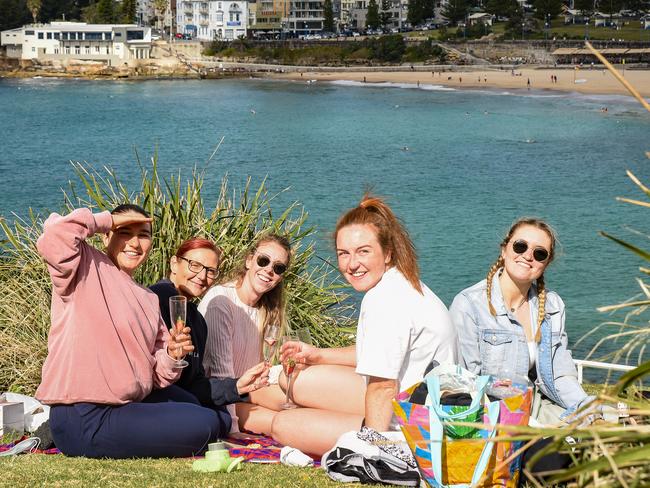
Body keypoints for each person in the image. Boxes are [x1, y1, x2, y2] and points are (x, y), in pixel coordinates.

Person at [271, 195, 458, 456]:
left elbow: (382, 386)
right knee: (291, 380)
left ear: (388, 253)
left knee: (284, 424)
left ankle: (376, 441)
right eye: (343, 254)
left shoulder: (384, 299)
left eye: (363, 251)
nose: (352, 264)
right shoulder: (404, 283)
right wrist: (319, 355)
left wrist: (373, 452)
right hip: (429, 410)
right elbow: (382, 354)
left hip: (414, 431)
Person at [36, 205, 221, 458]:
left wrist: (172, 354)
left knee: (194, 406)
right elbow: (55, 233)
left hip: (126, 405)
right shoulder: (81, 266)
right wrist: (108, 219)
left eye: (143, 235)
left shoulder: (147, 298)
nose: (134, 243)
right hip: (82, 415)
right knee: (207, 425)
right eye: (124, 232)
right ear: (106, 235)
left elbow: (158, 375)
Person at [449, 218, 593, 427]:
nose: (527, 256)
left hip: (537, 407)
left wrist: (587, 410)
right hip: (493, 415)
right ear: (504, 250)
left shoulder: (552, 306)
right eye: (520, 246)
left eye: (539, 253)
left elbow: (560, 374)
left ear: (546, 263)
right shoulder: (470, 305)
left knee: (613, 422)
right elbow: (466, 381)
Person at [149, 238, 270, 427]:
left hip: (182, 398)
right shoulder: (157, 297)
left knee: (221, 418)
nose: (202, 276)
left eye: (210, 271)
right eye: (195, 265)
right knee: (211, 420)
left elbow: (195, 382)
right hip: (155, 395)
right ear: (174, 263)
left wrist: (236, 386)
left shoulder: (197, 321)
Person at [198, 234, 292, 435]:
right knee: (286, 421)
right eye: (263, 260)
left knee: (298, 401)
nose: (269, 270)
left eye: (278, 268)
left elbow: (261, 367)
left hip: (251, 391)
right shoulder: (222, 302)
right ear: (250, 260)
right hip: (222, 397)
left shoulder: (269, 310)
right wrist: (232, 429)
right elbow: (222, 373)